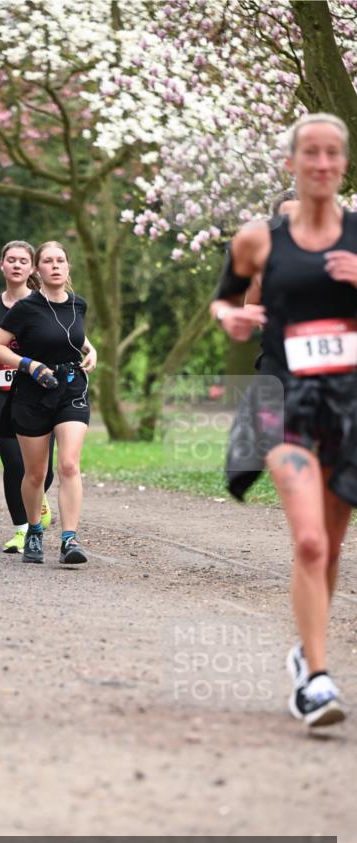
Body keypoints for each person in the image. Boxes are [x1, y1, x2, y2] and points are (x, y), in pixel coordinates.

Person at [211, 113, 356, 728]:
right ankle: (318, 680)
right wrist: (231, 318)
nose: (322, 165)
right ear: (292, 163)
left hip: (347, 402)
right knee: (308, 540)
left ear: (343, 163)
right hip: (282, 396)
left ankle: (306, 653)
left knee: (331, 546)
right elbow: (225, 296)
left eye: (333, 154)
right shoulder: (259, 238)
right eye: (311, 154)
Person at [0, 241, 97, 565]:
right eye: (47, 261)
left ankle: (69, 540)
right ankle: (34, 529)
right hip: (32, 392)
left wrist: (92, 352)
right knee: (35, 474)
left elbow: (76, 338)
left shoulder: (79, 305)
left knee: (68, 465)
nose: (55, 266)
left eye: (60, 260)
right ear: (38, 269)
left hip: (71, 389)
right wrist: (29, 365)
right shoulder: (25, 308)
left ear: (68, 266)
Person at [0, 241, 54, 554]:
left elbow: (69, 336)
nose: (18, 265)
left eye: (24, 260)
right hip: (1, 392)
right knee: (13, 463)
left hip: (40, 393)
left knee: (42, 470)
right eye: (12, 260)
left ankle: (38, 496)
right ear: (2, 265)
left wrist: (91, 350)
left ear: (32, 267)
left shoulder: (45, 303)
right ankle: (22, 530)